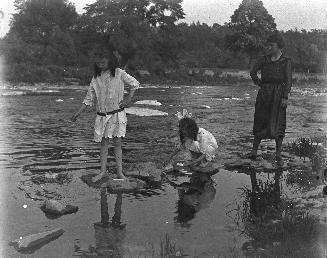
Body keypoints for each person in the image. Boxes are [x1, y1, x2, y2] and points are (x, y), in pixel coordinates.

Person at [71, 46, 140, 182]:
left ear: (110, 61)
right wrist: (78, 113)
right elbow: (89, 98)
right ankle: (103, 172)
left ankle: (120, 173)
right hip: (102, 116)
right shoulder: (96, 78)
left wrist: (128, 99)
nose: (100, 65)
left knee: (118, 143)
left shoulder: (119, 73)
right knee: (104, 143)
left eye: (103, 62)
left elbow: (134, 84)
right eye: (98, 63)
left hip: (117, 114)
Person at [247, 33, 292, 166]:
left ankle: (278, 154)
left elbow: (288, 81)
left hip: (279, 94)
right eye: (268, 45)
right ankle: (254, 151)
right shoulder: (263, 59)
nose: (268, 47)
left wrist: (285, 97)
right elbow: (252, 72)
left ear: (278, 46)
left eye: (271, 45)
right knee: (260, 119)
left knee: (278, 122)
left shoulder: (286, 61)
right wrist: (261, 84)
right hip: (264, 93)